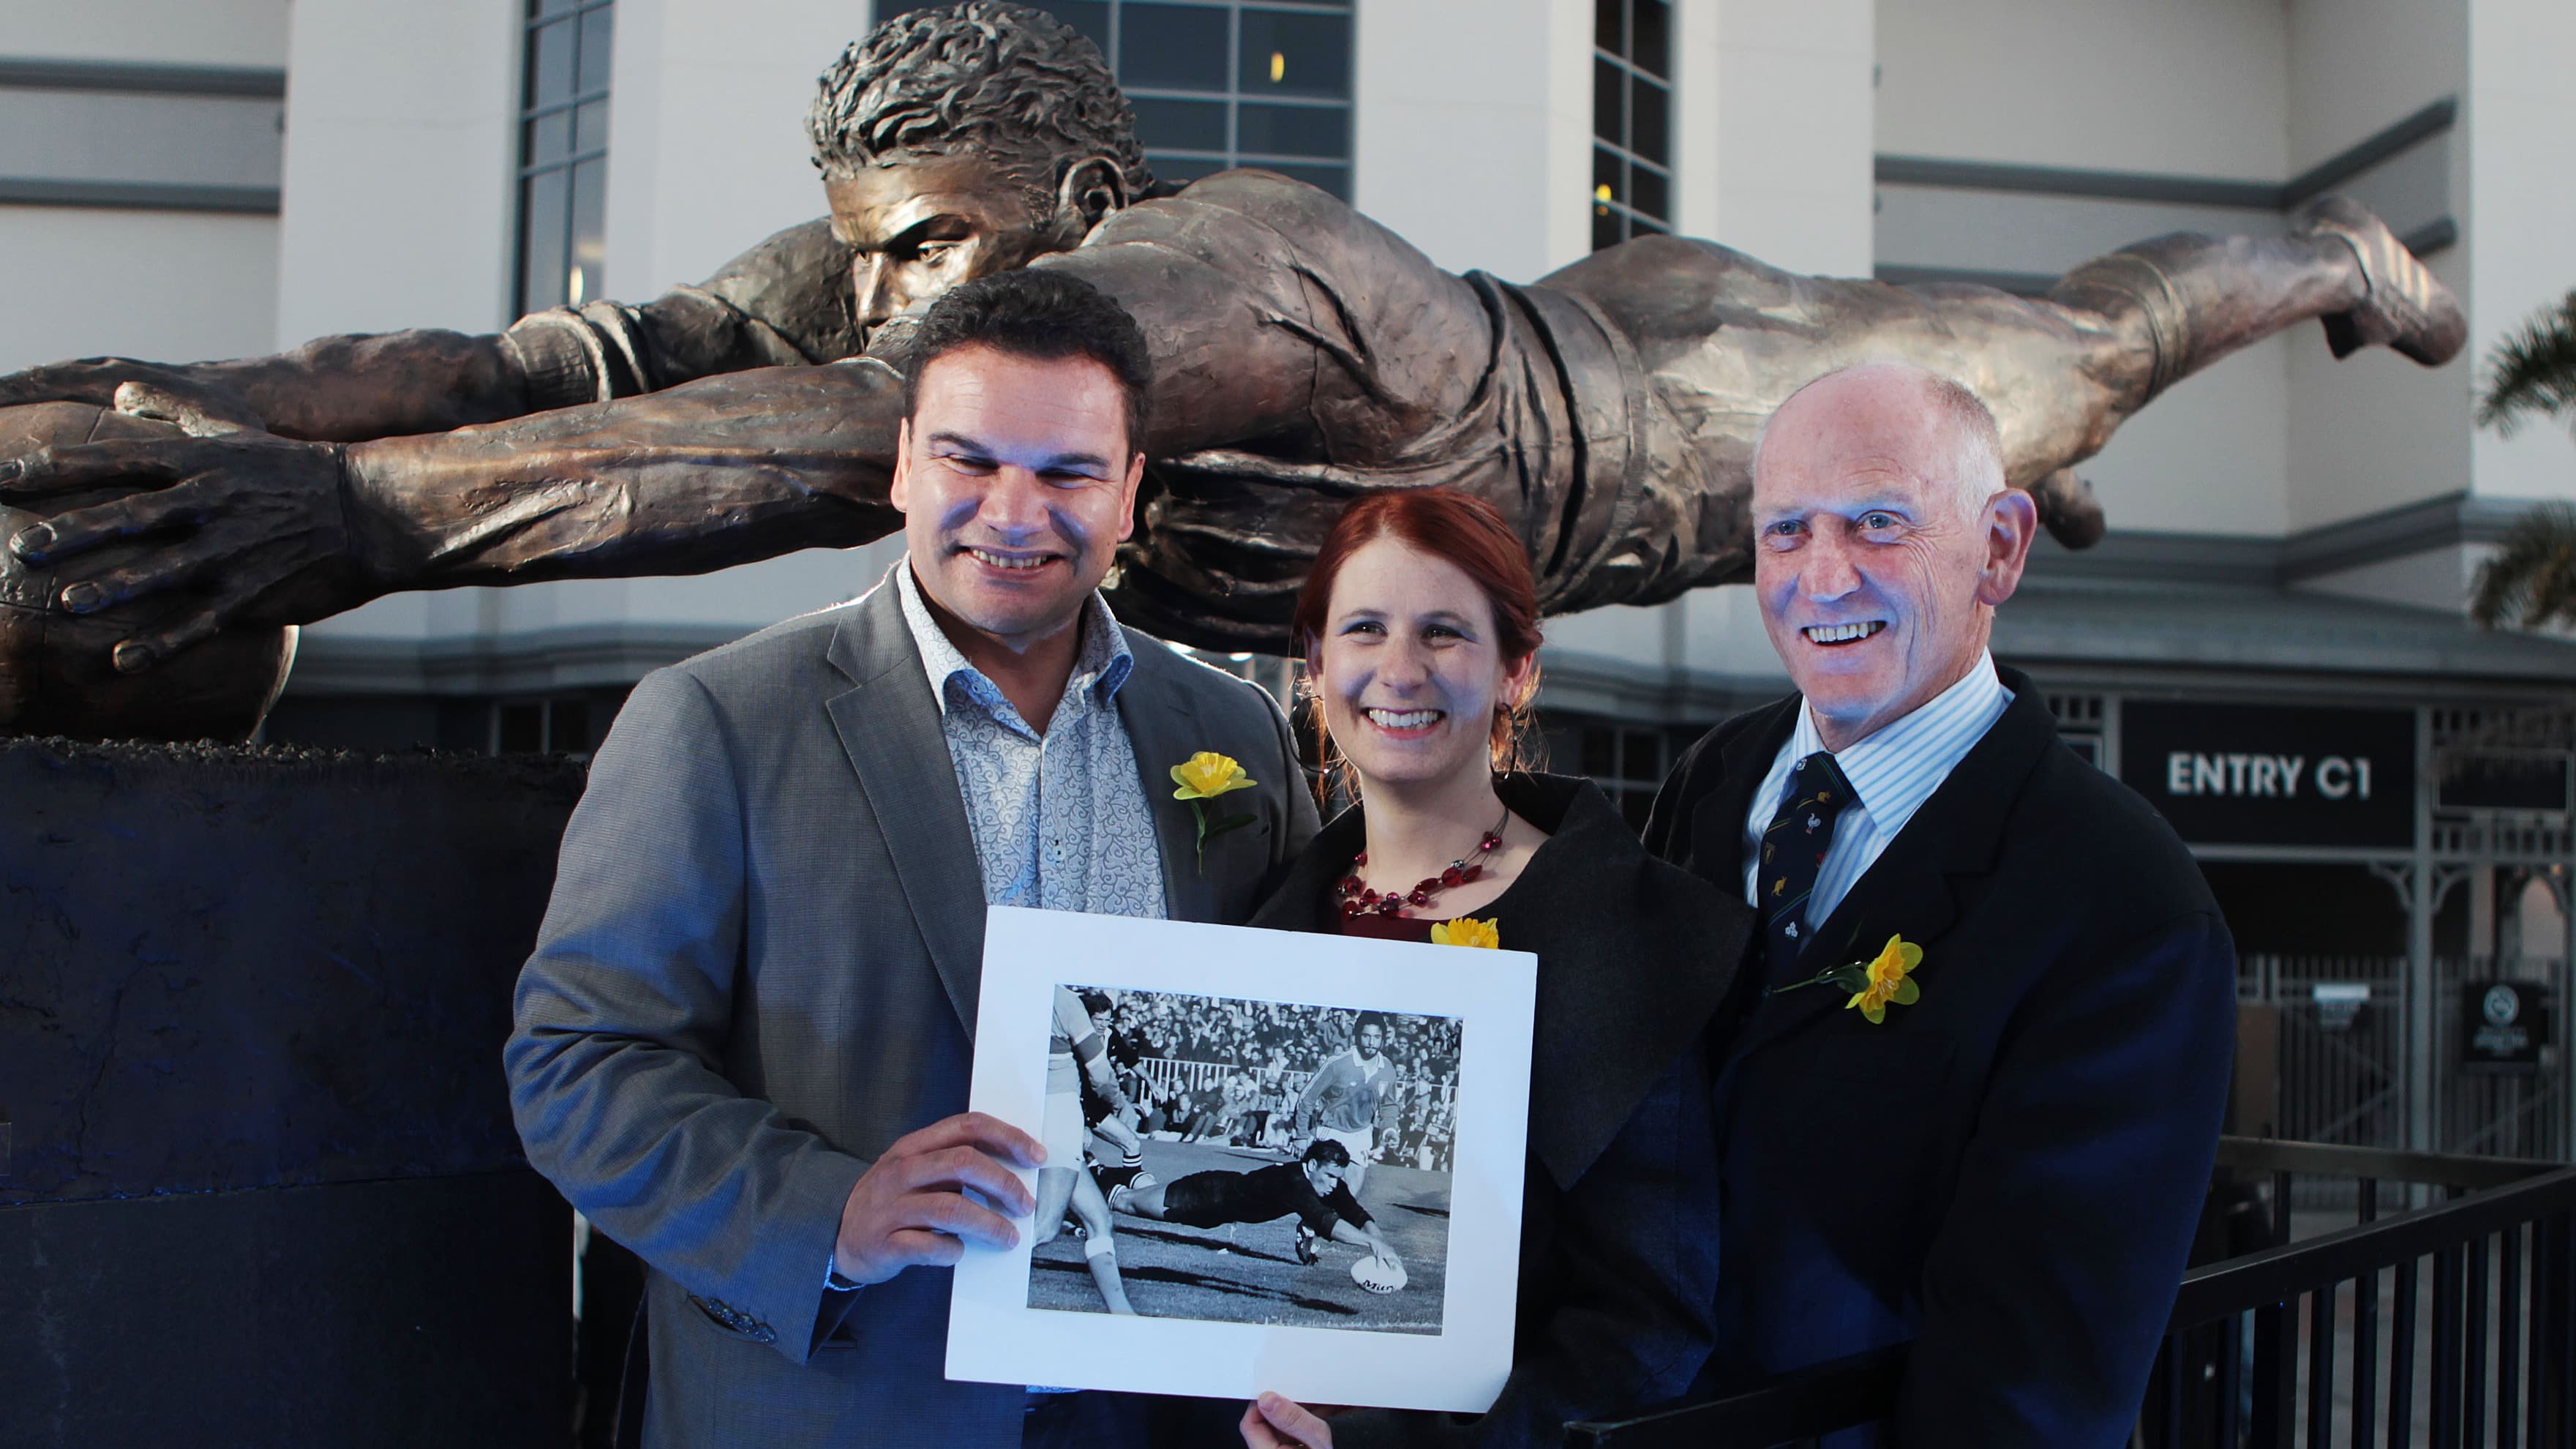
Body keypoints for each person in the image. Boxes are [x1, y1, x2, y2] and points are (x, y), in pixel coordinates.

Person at [0, 3, 2461, 678]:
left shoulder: (1218, 262)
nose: (888, 289)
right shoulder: (910, 253)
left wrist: (347, 527)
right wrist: (147, 407)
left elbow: (873, 436)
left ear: (1083, 204)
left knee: (2101, 336)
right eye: (872, 250)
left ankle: (2344, 254)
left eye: (936, 244)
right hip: (1579, 329)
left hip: (1685, 424)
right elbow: (553, 364)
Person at [501, 267, 1317, 1449]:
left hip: (1152, 1425)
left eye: (1067, 473)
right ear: (903, 466)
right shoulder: (720, 719)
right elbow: (578, 1062)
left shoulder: (1230, 733)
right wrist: (828, 1213)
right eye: (970, 461)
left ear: (1131, 491)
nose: (1013, 511)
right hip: (839, 1408)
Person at [1640, 362, 2237, 1445]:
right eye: (1786, 532)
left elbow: (2036, 1379)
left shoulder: (2124, 902)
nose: (1822, 579)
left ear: (2000, 547)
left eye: (1877, 524)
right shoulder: (1713, 779)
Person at [1237, 489, 1754, 1449]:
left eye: (1442, 633)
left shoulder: (1632, 934)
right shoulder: (1252, 927)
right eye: (1363, 629)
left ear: (1516, 670)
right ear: (1314, 667)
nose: (1398, 671)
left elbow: (1650, 1325)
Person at [1108, 1139, 1400, 1273]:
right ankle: (1083, 1186)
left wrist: (1382, 1242)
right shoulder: (1295, 1181)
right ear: (1312, 1165)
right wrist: (1370, 1244)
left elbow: (1354, 1211)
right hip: (1201, 1197)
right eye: (1331, 1176)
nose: (1336, 1184)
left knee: (1142, 1192)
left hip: (1216, 1211)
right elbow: (1324, 1221)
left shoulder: (1323, 1180)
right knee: (1127, 1204)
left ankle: (1098, 1174)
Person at [1037, 985, 1138, 1314]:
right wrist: (1121, 1102)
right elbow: (1100, 1075)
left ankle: (1123, 1314)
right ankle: (970, 1274)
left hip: (1039, 1106)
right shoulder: (1065, 1001)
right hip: (1060, 1109)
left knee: (1099, 1219)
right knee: (1046, 1227)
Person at [1288, 1014, 1399, 1196]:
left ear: (1383, 1039)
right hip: (1332, 1131)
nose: (1371, 1042)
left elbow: (1388, 1105)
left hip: (1362, 1134)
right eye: (1366, 1036)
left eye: (1377, 1037)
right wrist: (1301, 1134)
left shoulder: (1387, 1070)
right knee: (1324, 1195)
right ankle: (1310, 1225)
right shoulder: (1338, 1064)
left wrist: (1389, 1130)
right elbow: (1307, 1098)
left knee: (1351, 1199)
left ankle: (1317, 1224)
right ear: (1357, 1036)